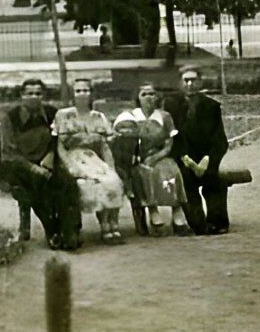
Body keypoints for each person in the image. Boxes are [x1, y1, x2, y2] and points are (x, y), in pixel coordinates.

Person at [0, 79, 82, 249]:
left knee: (68, 182)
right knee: (38, 185)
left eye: (38, 93)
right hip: (21, 166)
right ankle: (52, 230)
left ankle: (71, 231)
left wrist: (50, 156)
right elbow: (10, 152)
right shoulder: (11, 118)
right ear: (22, 96)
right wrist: (34, 168)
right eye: (29, 93)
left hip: (49, 161)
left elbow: (58, 139)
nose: (34, 97)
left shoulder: (52, 113)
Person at [52, 78, 126, 243]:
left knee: (112, 180)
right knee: (89, 183)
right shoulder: (64, 115)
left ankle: (110, 223)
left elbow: (104, 146)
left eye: (85, 90)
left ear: (91, 94)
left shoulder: (98, 117)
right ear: (73, 94)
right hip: (74, 157)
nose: (82, 94)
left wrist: (110, 166)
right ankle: (103, 225)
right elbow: (60, 147)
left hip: (94, 158)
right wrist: (70, 166)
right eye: (78, 91)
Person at [113, 84, 190, 236]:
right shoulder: (131, 116)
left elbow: (169, 143)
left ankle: (176, 210)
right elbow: (123, 141)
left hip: (160, 154)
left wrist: (157, 156)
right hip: (139, 157)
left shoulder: (164, 116)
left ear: (157, 97)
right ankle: (153, 210)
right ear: (138, 98)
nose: (148, 97)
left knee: (171, 171)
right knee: (143, 173)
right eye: (144, 94)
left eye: (151, 94)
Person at [165, 66, 230, 235]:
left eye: (193, 80)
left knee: (215, 180)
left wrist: (208, 160)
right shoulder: (171, 106)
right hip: (182, 157)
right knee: (186, 181)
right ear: (180, 83)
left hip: (204, 157)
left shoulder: (211, 106)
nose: (189, 84)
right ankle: (198, 223)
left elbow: (220, 141)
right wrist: (185, 159)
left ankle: (217, 221)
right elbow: (170, 137)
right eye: (186, 80)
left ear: (200, 82)